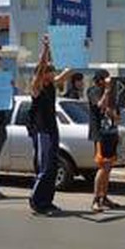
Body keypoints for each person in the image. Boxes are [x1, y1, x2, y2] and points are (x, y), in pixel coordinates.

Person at [28, 38, 73, 214]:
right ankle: (36, 201)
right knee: (45, 167)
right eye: (50, 70)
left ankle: (47, 202)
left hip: (53, 130)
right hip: (42, 132)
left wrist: (78, 50)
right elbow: (41, 67)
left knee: (52, 168)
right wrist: (45, 49)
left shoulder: (52, 85)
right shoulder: (36, 87)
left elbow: (68, 71)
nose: (53, 72)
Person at [88, 69, 121, 213]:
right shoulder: (93, 91)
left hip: (111, 133)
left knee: (108, 168)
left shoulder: (111, 93)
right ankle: (95, 200)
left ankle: (104, 197)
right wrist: (107, 91)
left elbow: (114, 114)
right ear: (100, 80)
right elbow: (99, 106)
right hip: (100, 134)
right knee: (102, 167)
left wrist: (114, 113)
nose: (109, 81)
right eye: (106, 78)